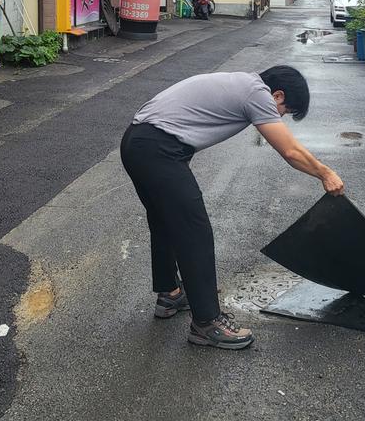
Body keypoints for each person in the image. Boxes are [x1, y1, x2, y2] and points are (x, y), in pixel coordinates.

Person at [120, 65, 344, 351]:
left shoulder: (242, 83)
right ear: (277, 95)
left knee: (165, 221)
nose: (279, 117)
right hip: (157, 149)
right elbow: (290, 150)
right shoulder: (258, 94)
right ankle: (207, 323)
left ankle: (170, 293)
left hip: (136, 141)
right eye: (285, 111)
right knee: (195, 231)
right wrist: (325, 173)